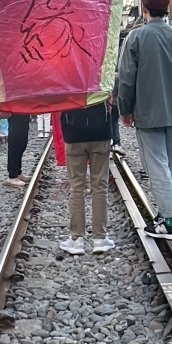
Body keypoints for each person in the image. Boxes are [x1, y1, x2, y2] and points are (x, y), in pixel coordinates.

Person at [117, 0, 172, 241]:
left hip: (148, 110)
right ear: (166, 9)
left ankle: (171, 222)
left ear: (144, 8)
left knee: (156, 165)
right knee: (170, 165)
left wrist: (124, 109)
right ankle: (164, 213)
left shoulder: (135, 38)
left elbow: (126, 78)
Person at [58, 101, 115, 255]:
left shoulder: (68, 76)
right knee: (100, 186)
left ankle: (76, 240)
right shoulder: (101, 75)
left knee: (77, 187)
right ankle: (100, 238)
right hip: (100, 130)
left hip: (74, 130)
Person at [5, 113, 33, 189]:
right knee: (16, 143)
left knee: (22, 143)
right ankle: (12, 176)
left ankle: (17, 172)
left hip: (22, 112)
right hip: (16, 112)